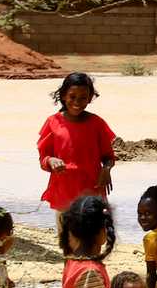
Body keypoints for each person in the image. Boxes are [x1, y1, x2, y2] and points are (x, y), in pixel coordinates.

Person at [39, 73, 118, 225]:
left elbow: (108, 157)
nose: (77, 102)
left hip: (92, 189)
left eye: (83, 98)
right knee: (67, 242)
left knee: (92, 238)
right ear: (63, 96)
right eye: (72, 96)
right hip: (63, 190)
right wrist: (52, 160)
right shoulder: (52, 122)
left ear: (90, 98)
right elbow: (43, 159)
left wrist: (106, 169)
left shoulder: (97, 124)